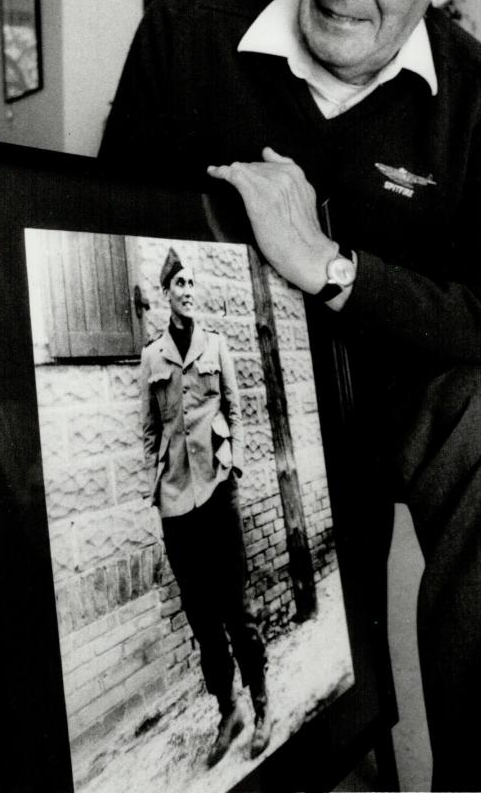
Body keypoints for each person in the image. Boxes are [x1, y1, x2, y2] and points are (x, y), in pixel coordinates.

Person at [102, 0, 481, 791]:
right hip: (233, 402)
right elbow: (113, 257)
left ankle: (473, 777)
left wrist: (329, 265)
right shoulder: (185, 32)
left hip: (399, 407)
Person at [140, 248, 270, 766]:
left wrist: (233, 462)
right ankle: (228, 709)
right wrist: (155, 484)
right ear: (166, 294)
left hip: (217, 492)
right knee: (200, 616)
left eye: (193, 283)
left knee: (236, 608)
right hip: (176, 505)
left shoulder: (216, 345)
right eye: (179, 285)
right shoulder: (152, 358)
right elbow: (149, 430)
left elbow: (235, 409)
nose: (188, 291)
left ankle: (261, 705)